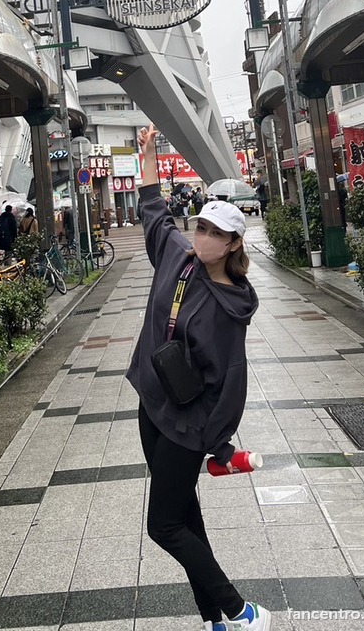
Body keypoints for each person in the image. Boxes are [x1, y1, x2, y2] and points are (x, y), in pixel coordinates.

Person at [127, 124, 269, 631]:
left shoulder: (232, 307)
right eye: (201, 227)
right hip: (152, 400)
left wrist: (219, 442)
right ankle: (215, 621)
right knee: (186, 516)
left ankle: (240, 609)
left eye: (214, 233)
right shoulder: (176, 258)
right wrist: (146, 156)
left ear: (232, 243)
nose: (202, 237)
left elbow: (232, 380)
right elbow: (152, 210)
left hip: (189, 424)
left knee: (163, 525)